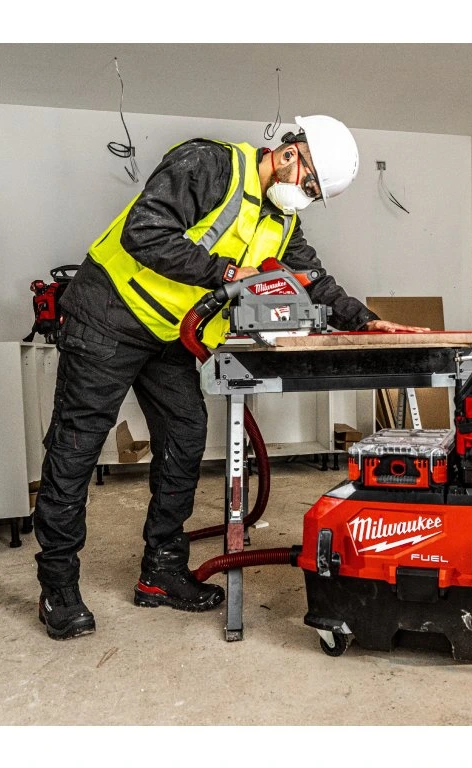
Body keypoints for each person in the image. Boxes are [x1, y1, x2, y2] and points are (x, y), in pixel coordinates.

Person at [33, 115, 427, 640]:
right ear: (290, 152)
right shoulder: (209, 164)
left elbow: (311, 280)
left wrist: (364, 320)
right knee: (77, 445)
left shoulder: (283, 221)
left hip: (169, 334)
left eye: (315, 194)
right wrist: (227, 273)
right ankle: (58, 587)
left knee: (185, 434)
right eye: (309, 183)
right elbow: (143, 231)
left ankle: (161, 571)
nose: (306, 196)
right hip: (108, 314)